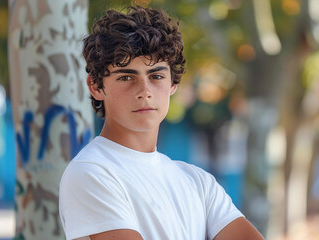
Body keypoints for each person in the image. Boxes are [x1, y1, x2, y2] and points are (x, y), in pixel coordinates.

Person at [59, 5, 264, 240]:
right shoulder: (92, 173)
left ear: (173, 84)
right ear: (96, 87)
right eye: (126, 77)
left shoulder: (198, 181)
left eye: (156, 76)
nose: (145, 91)